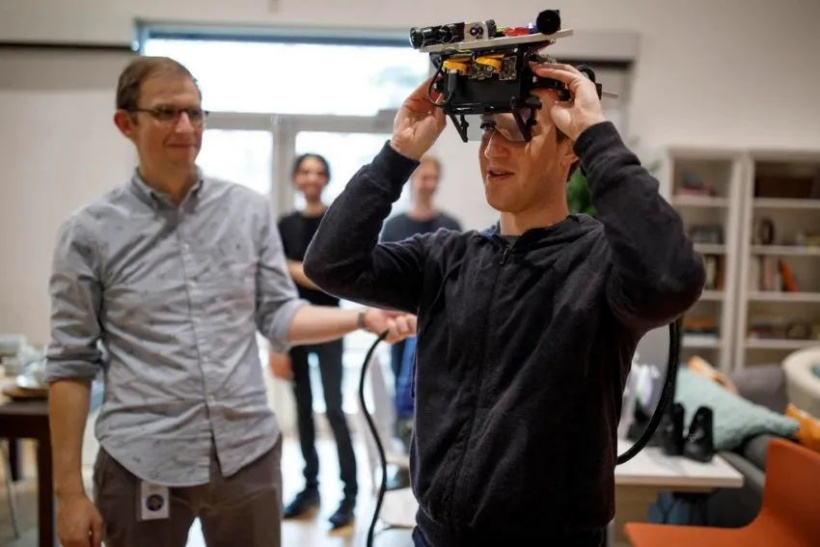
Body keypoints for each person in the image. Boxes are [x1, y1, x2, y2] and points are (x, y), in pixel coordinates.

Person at [303, 61, 705, 546]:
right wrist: (399, 154)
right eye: (489, 128)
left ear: (570, 149)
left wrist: (595, 135)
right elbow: (330, 264)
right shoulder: (445, 258)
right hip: (435, 536)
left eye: (518, 130)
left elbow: (671, 279)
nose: (493, 149)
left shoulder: (602, 264)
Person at [45, 56, 414, 547]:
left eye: (195, 113)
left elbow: (278, 314)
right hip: (142, 461)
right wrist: (68, 492)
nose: (185, 127)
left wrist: (363, 317)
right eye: (166, 112)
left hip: (247, 456)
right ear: (126, 123)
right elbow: (70, 363)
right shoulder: (88, 232)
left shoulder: (246, 210)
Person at [276, 153, 357, 529]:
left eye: (319, 171)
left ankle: (349, 496)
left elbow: (332, 276)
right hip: (294, 327)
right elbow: (274, 279)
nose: (312, 177)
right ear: (296, 178)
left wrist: (294, 267)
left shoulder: (335, 220)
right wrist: (275, 344)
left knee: (335, 410)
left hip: (330, 325)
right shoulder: (284, 225)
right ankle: (310, 490)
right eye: (306, 171)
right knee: (303, 410)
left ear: (327, 178)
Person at [381, 156, 460, 426]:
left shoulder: (451, 226)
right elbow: (383, 277)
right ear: (412, 180)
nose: (428, 184)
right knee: (402, 386)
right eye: (424, 177)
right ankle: (403, 438)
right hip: (400, 321)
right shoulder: (393, 226)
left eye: (433, 178)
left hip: (439, 323)